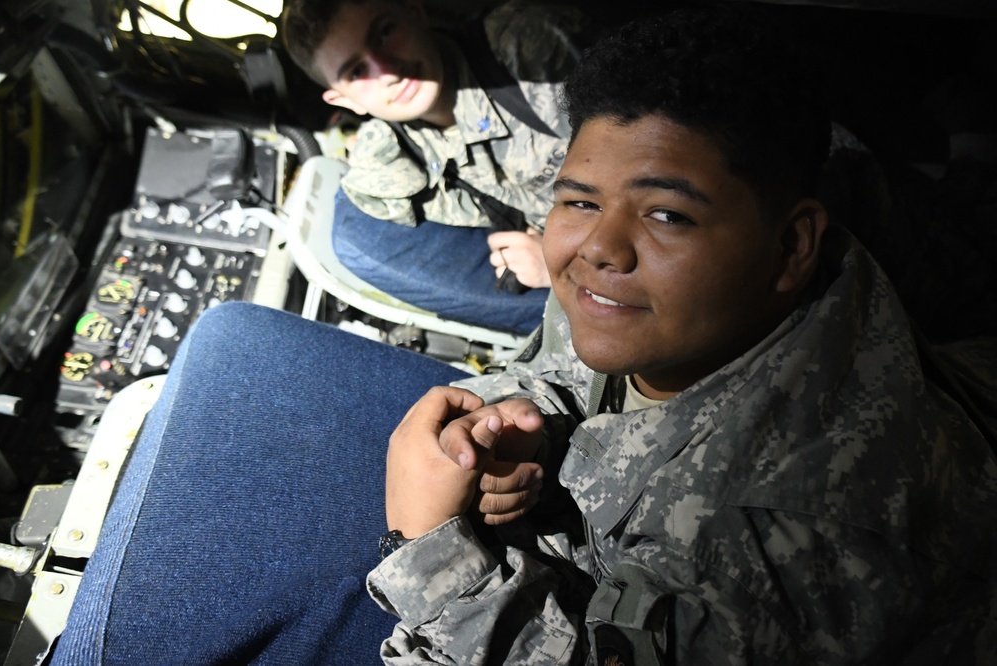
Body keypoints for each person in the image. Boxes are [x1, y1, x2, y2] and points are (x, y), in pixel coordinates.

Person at [52, 5, 996, 665]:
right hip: (578, 530)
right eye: (577, 201)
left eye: (667, 216)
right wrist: (521, 421)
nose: (596, 251)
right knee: (232, 342)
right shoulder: (643, 290)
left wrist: (429, 548)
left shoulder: (820, 538)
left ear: (792, 246)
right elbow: (558, 364)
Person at [281, 0, 592, 335]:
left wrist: (562, 265)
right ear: (346, 102)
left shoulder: (525, 47)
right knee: (349, 232)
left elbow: (652, 163)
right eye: (357, 72)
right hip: (566, 257)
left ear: (415, 12)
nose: (388, 71)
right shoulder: (401, 147)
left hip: (631, 251)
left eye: (385, 33)